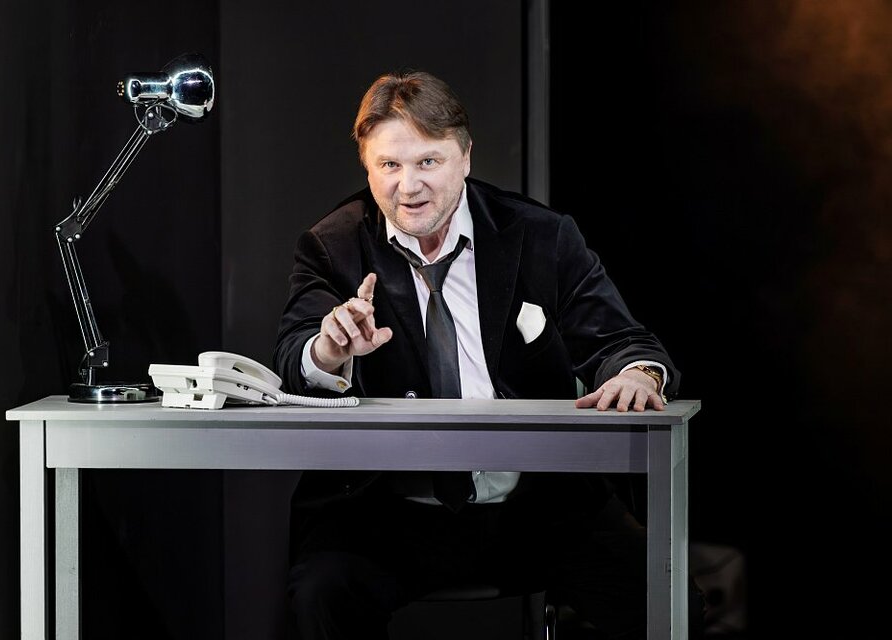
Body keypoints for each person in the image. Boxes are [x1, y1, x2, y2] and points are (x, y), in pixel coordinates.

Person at [274, 70, 701, 640]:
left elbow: (625, 342)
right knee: (319, 594)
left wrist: (639, 375)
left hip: (536, 509)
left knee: (670, 600)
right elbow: (292, 357)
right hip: (385, 513)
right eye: (389, 165)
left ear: (466, 157)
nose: (408, 186)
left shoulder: (541, 234)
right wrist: (327, 350)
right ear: (367, 166)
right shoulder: (332, 244)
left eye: (428, 161)